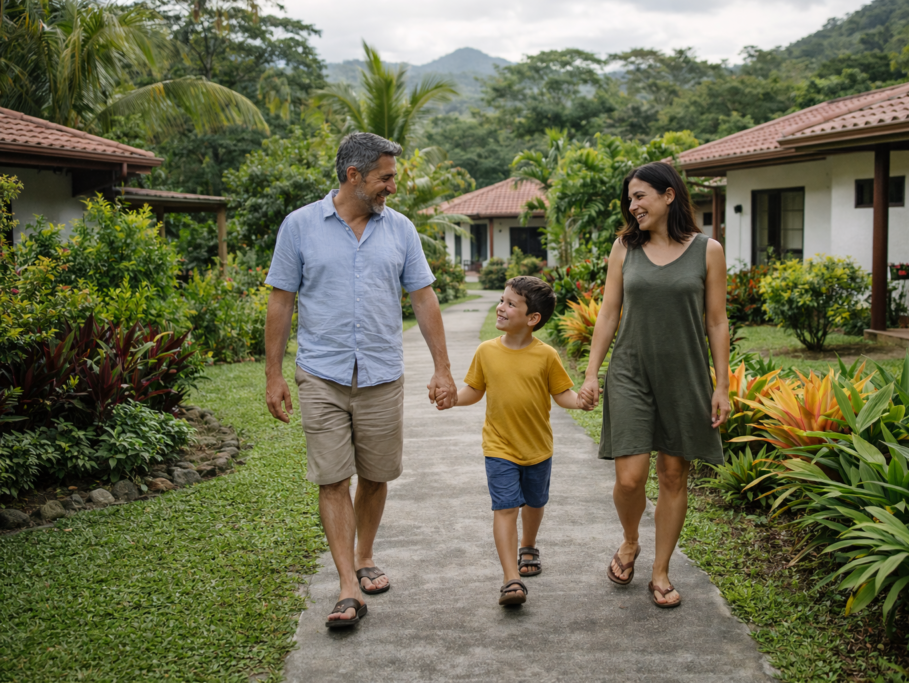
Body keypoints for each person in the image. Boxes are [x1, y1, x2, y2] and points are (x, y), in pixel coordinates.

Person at [263, 132, 458, 630]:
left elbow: (424, 298)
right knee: (333, 478)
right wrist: (273, 375)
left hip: (380, 372)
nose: (393, 187)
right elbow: (281, 301)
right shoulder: (300, 226)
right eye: (386, 177)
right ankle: (348, 583)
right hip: (321, 373)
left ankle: (365, 554)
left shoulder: (401, 230)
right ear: (355, 176)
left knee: (376, 474)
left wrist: (442, 368)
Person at [578, 162, 729, 609]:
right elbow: (608, 313)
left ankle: (660, 571)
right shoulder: (625, 247)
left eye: (640, 195)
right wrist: (591, 372)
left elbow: (717, 321)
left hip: (686, 374)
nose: (633, 205)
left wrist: (722, 384)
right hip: (630, 371)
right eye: (630, 198)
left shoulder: (708, 250)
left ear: (668, 196)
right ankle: (630, 541)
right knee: (629, 479)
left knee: (673, 474)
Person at [455, 276, 591, 606]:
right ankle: (510, 578)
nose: (501, 307)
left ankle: (528, 545)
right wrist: (452, 399)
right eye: (502, 300)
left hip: (537, 448)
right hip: (499, 447)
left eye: (510, 303)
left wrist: (581, 401)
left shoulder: (546, 356)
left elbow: (562, 395)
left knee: (534, 502)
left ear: (533, 319)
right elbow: (474, 391)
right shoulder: (486, 351)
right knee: (504, 508)